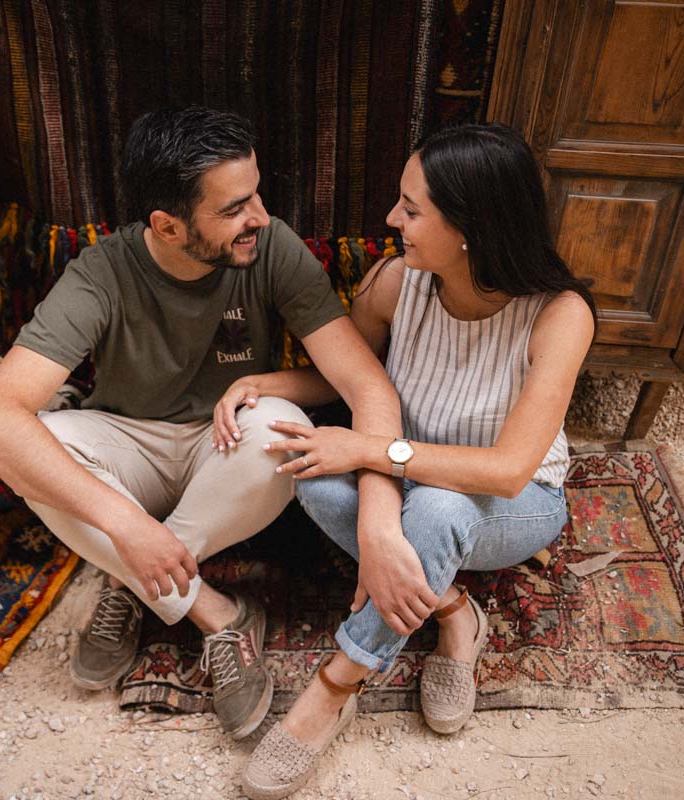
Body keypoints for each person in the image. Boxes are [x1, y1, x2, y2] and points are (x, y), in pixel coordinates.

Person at [0, 106, 409, 740]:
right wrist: (126, 525)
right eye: (233, 208)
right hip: (130, 453)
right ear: (167, 226)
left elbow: (365, 383)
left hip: (225, 450)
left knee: (282, 426)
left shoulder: (271, 246)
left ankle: (133, 576)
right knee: (34, 444)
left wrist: (378, 524)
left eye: (255, 193)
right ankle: (217, 613)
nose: (257, 215)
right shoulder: (101, 271)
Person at [231, 123, 596, 799]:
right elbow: (353, 382)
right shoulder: (396, 282)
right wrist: (266, 387)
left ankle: (333, 689)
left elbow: (508, 469)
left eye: (412, 207)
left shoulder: (560, 314)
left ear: (470, 226)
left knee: (438, 505)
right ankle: (455, 613)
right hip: (403, 480)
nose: (392, 218)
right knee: (304, 462)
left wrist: (369, 451)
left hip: (513, 502)